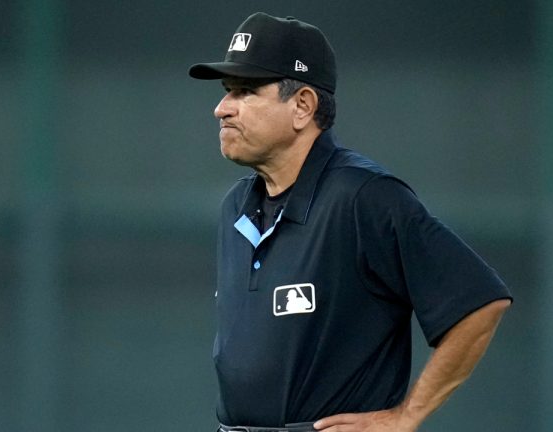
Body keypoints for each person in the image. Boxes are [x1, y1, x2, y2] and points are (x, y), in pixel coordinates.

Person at [189, 12, 512, 432]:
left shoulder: (362, 197)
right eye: (226, 91)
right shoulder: (237, 205)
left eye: (246, 91)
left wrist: (406, 416)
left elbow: (480, 301)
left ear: (303, 106)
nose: (221, 109)